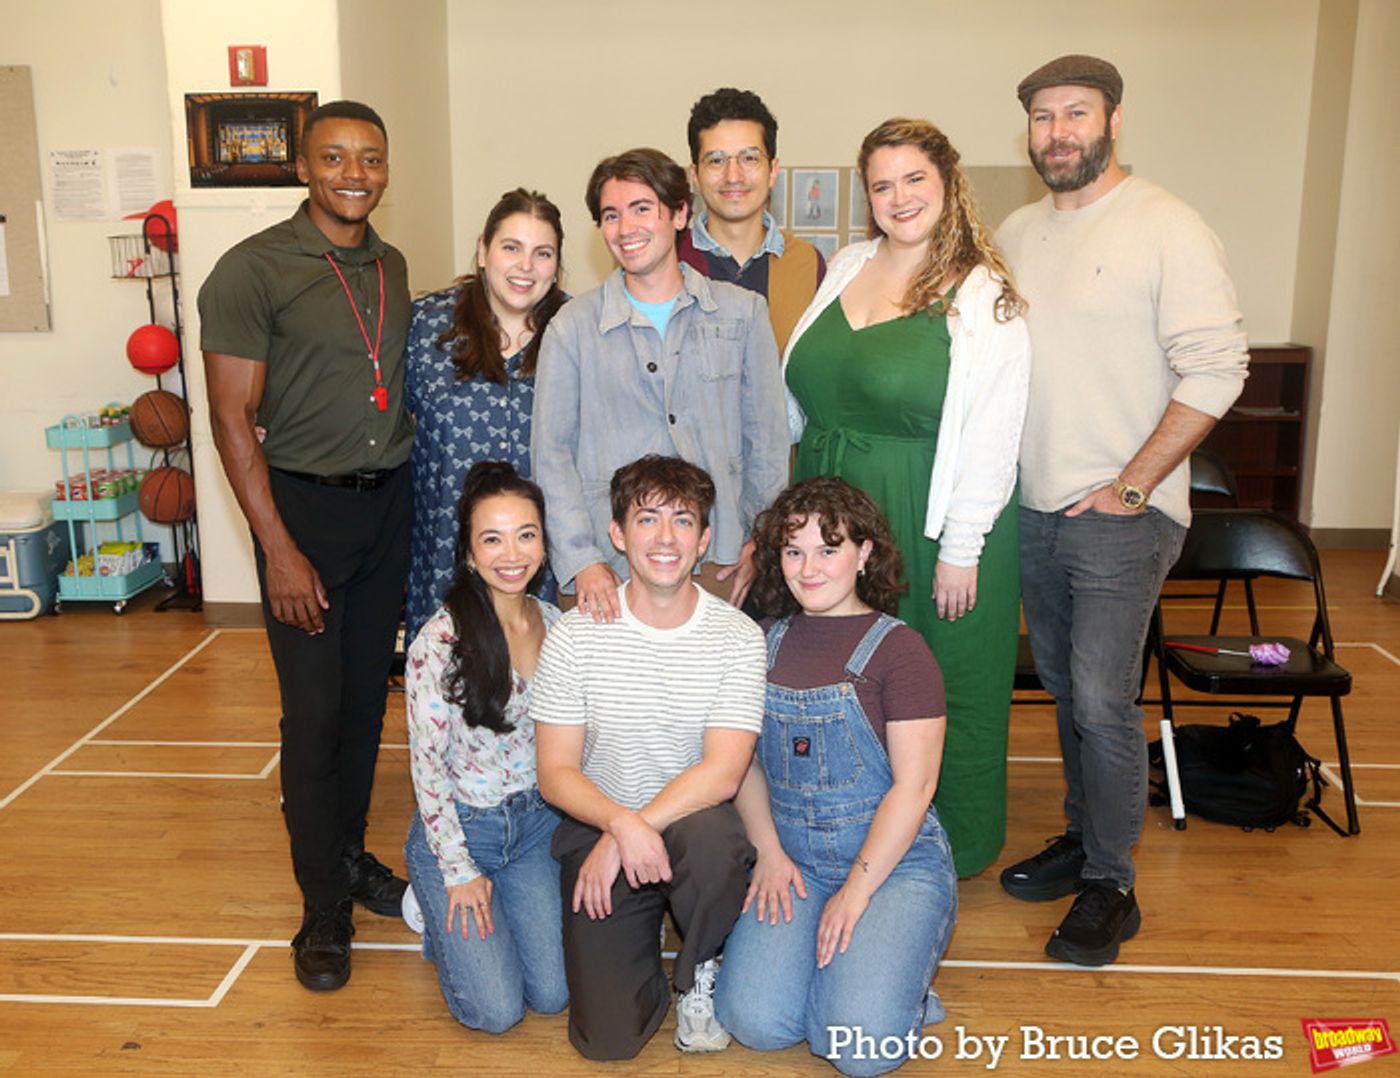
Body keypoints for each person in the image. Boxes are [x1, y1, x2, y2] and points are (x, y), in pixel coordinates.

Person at [995, 55, 1248, 966]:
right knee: (1068, 691)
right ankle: (1082, 836)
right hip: (1035, 510)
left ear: (1113, 121)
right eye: (1043, 117)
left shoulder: (1166, 225)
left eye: (1077, 113)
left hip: (1123, 512)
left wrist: (1133, 484)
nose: (1059, 132)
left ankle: (1113, 883)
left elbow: (1218, 368)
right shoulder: (1016, 231)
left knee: (1102, 699)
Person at [200, 99, 413, 992]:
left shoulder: (391, 265)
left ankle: (348, 857)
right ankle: (321, 903)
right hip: (303, 518)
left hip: (386, 509)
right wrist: (279, 551)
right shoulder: (251, 270)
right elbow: (230, 418)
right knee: (315, 714)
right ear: (302, 167)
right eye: (334, 157)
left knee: (365, 708)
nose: (354, 174)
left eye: (370, 157)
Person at [782, 118, 1031, 878]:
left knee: (939, 674)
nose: (900, 198)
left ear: (949, 184)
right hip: (834, 514)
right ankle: (849, 823)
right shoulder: (847, 265)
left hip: (931, 515)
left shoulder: (984, 295)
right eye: (882, 185)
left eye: (915, 179)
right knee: (842, 672)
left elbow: (994, 433)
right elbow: (802, 391)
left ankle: (947, 844)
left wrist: (962, 546)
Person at [716, 477, 957, 1077]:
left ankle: (896, 988)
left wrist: (856, 892)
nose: (809, 568)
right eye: (793, 551)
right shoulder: (760, 642)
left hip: (891, 866)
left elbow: (915, 788)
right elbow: (745, 765)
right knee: (754, 1021)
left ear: (864, 552)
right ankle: (855, 979)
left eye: (828, 549)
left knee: (859, 1050)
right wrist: (769, 853)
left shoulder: (902, 652)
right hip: (795, 863)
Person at [532, 456, 764, 1060]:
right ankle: (644, 944)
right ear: (617, 534)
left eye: (683, 521)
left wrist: (636, 828)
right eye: (647, 519)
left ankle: (699, 966)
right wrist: (618, 826)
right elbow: (555, 773)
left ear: (704, 539)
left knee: (715, 850)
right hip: (600, 822)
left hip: (692, 823)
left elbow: (724, 773)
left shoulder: (738, 637)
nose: (666, 538)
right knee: (607, 1041)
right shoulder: (574, 635)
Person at [530, 148, 788, 620]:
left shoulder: (743, 313)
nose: (626, 228)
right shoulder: (572, 327)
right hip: (606, 568)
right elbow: (551, 455)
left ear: (680, 214)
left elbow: (767, 441)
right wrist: (581, 559)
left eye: (642, 208)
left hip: (719, 559)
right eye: (611, 215)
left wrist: (760, 540)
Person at [402, 461, 568, 1032]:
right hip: (462, 828)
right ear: (469, 554)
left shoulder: (557, 624)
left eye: (526, 535)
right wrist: (457, 870)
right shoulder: (439, 642)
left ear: (543, 544)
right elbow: (427, 769)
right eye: (492, 539)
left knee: (552, 995)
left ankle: (478, 922)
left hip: (534, 827)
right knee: (496, 1012)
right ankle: (432, 903)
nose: (511, 554)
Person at [404, 189, 566, 644]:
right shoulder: (426, 326)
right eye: (511, 247)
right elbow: (375, 418)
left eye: (542, 253)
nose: (525, 266)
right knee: (448, 680)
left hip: (542, 566)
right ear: (483, 250)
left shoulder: (576, 331)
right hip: (444, 556)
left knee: (540, 680)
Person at [679, 88, 826, 354]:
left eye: (749, 158)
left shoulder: (808, 264)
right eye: (716, 160)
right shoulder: (668, 261)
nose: (733, 176)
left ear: (773, 171)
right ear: (696, 176)